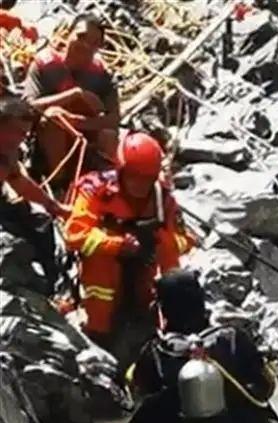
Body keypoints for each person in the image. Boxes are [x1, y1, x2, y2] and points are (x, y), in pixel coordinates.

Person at [63, 131, 196, 368]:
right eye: (136, 177)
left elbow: (184, 240)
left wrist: (158, 240)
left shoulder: (162, 199)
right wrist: (116, 244)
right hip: (102, 280)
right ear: (122, 169)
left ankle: (171, 336)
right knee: (102, 264)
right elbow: (75, 234)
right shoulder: (96, 189)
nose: (141, 185)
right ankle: (97, 333)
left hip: (144, 277)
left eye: (148, 178)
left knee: (181, 282)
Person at [127, 269, 278, 423]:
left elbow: (138, 397)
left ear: (163, 308)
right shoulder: (233, 338)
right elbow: (266, 386)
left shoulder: (155, 350)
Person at [23, 13, 119, 185]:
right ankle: (58, 183)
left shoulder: (103, 76)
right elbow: (28, 106)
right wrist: (74, 94)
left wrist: (77, 123)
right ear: (68, 34)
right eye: (80, 37)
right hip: (50, 146)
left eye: (94, 42)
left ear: (99, 47)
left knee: (110, 135)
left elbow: (113, 119)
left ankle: (105, 183)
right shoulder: (43, 66)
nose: (85, 45)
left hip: (87, 143)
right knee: (54, 115)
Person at [0, 95, 69, 290]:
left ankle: (53, 287)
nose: (20, 139)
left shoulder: (9, 152)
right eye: (17, 132)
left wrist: (53, 206)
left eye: (25, 134)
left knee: (42, 226)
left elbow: (19, 183)